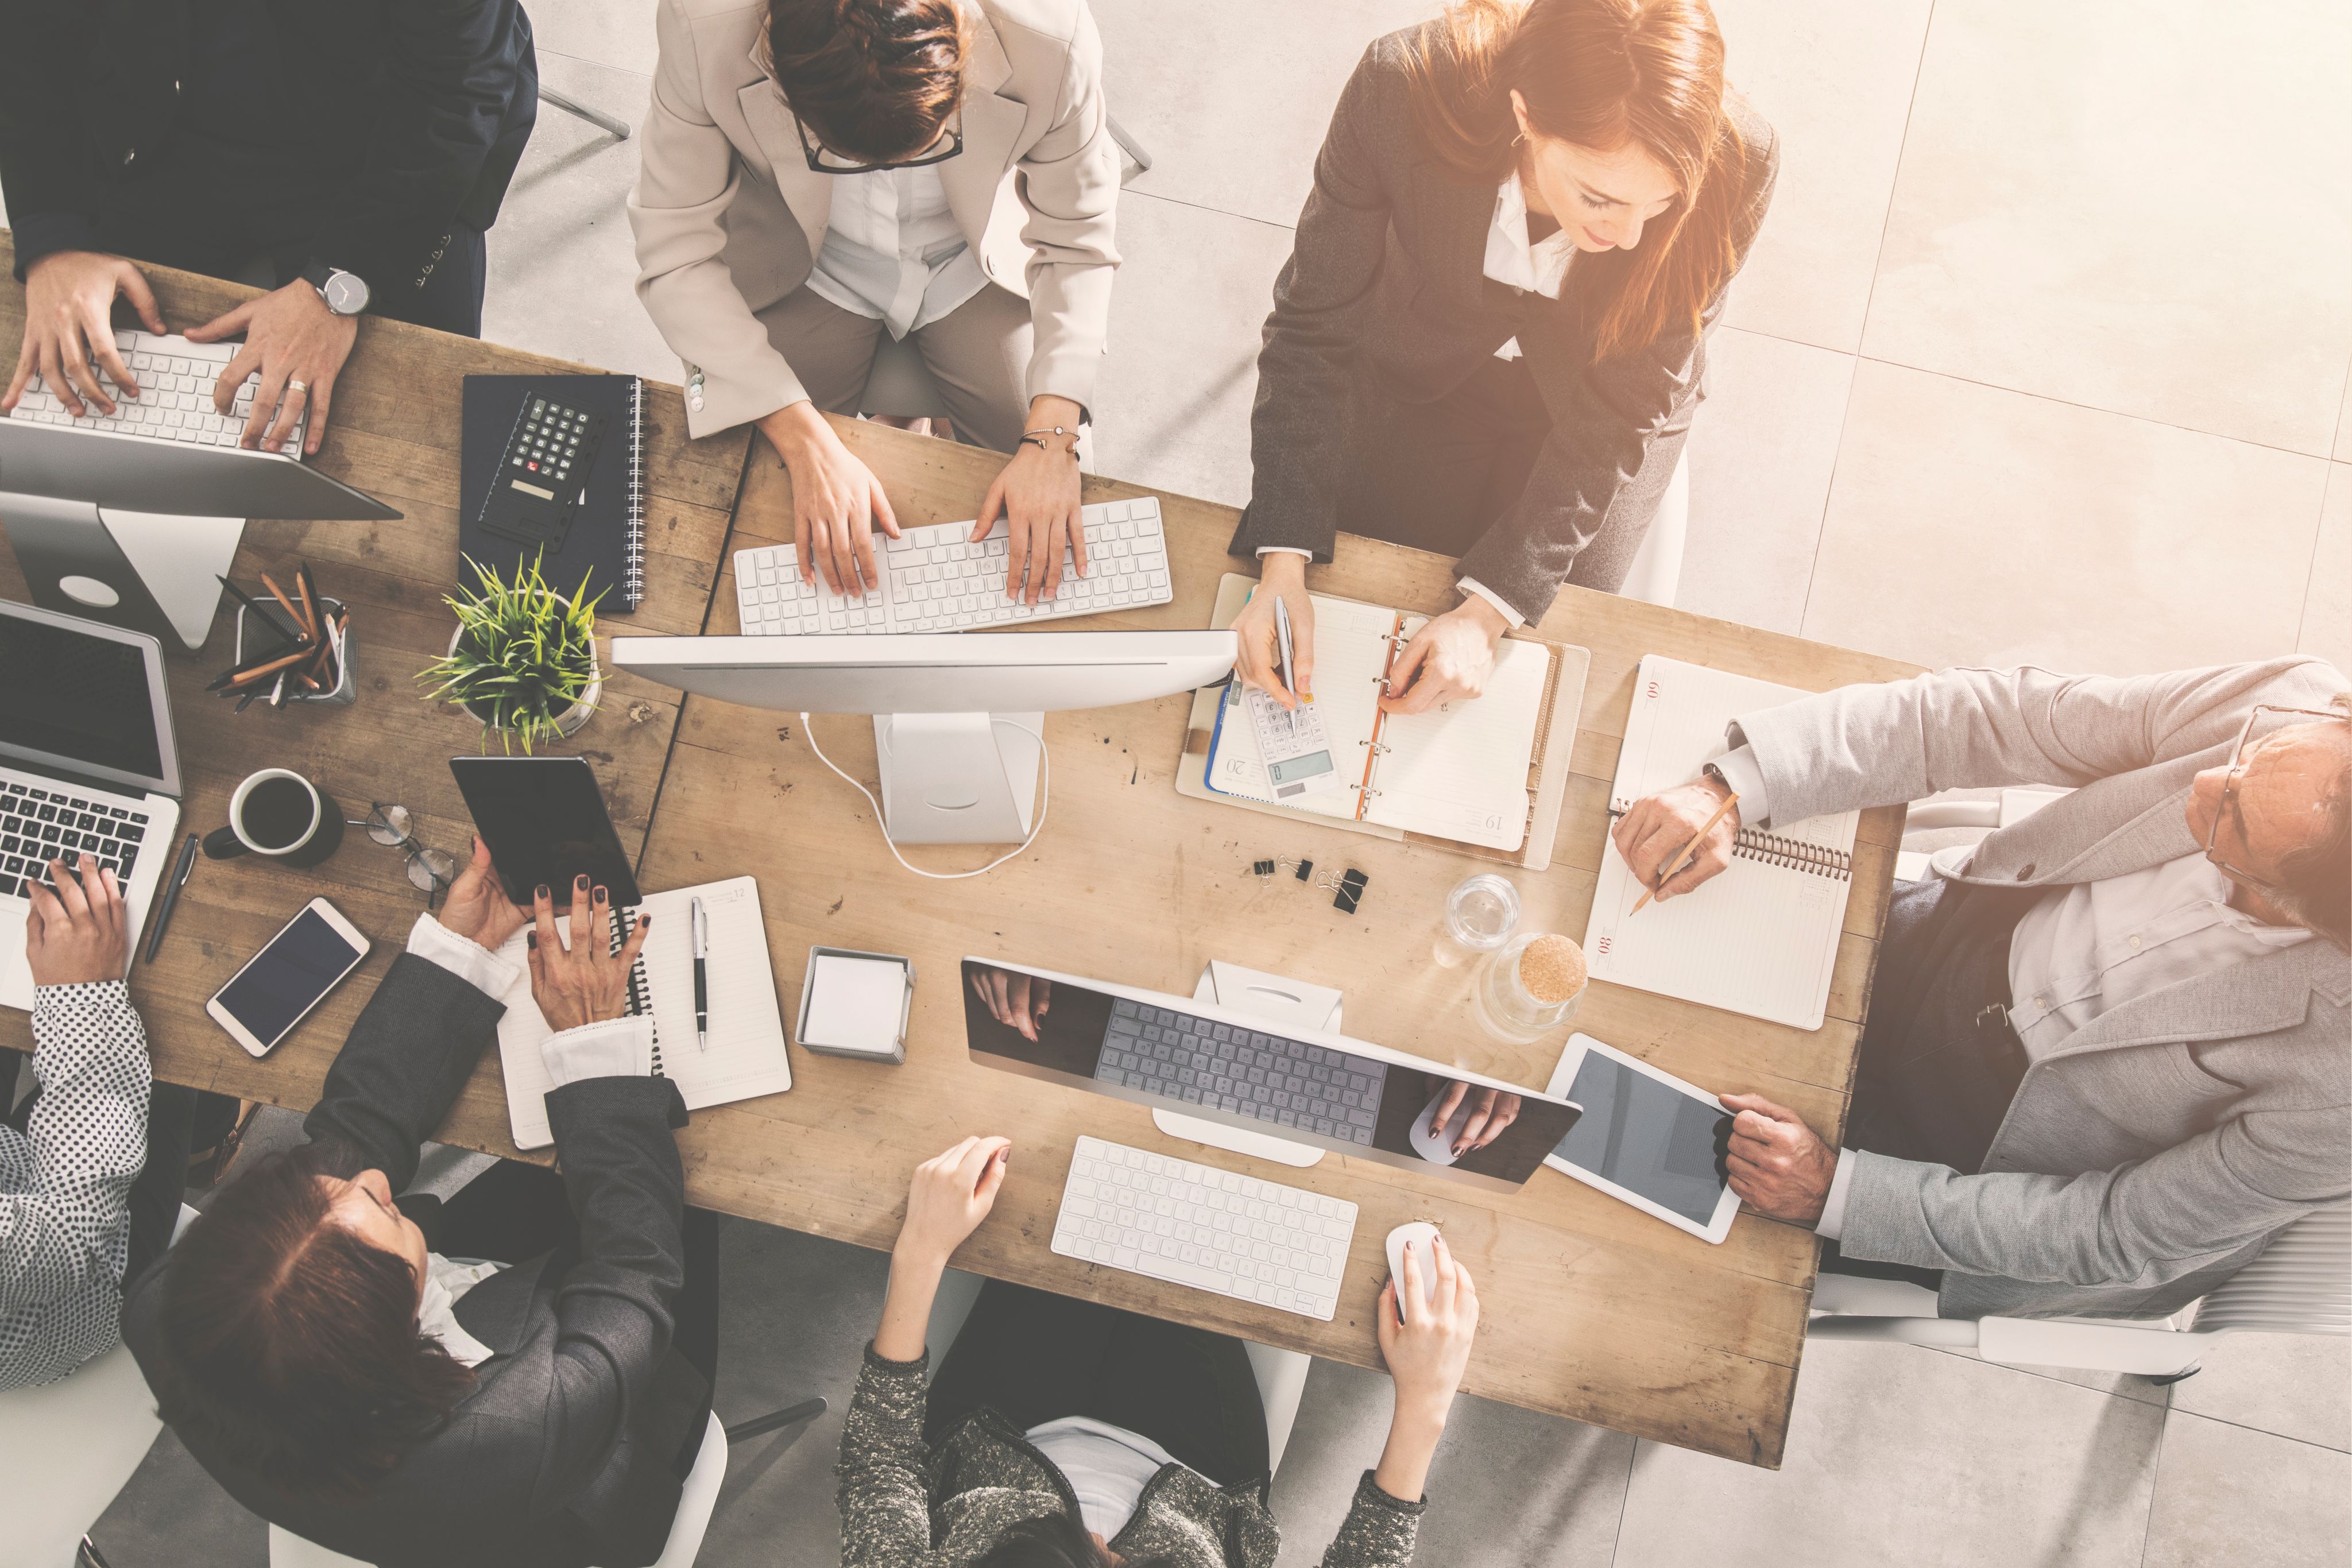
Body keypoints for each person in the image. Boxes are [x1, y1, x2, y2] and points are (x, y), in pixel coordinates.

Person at [1608, 658, 2352, 1319]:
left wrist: (1835, 1191)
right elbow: (1988, 717)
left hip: (1978, 1163)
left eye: (2233, 824)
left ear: (2312, 918)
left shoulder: (2338, 1086)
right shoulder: (2299, 699)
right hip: (1949, 939)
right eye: (2254, 752)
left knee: (1645, 1241)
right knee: (1624, 1005)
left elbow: (2116, 1230)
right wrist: (1735, 786)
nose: (2207, 778)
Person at [122, 845, 721, 1568]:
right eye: (386, 1213)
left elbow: (351, 1135)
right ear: (404, 1318)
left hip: (437, 1351)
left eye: (326, 1191)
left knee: (570, 1164)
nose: (374, 1177)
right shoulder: (509, 1435)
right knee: (695, 1183)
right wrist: (594, 1040)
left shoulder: (174, 1305)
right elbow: (635, 1272)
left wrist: (460, 948)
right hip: (594, 1439)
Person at [1229, 0, 1775, 719]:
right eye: (1600, 197)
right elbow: (1313, 325)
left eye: (1660, 204)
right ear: (1524, 114)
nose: (1635, 236)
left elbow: (1623, 413)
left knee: (1547, 656)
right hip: (1424, 354)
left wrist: (1488, 610)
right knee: (1366, 592)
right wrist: (1282, 560)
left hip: (1605, 402)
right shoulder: (1401, 85)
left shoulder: (1741, 159)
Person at [629, 0, 1120, 606]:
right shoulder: (699, 23)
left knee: (1069, 514)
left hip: (972, 265)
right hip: (807, 264)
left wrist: (1051, 439)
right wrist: (804, 441)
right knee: (750, 513)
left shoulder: (1051, 32)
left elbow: (1078, 241)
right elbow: (674, 247)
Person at [840, 1136, 1482, 1566]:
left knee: (1085, 1181)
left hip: (1002, 1428)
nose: (1101, 1538)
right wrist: (1426, 1399)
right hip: (1196, 1460)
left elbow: (878, 1466)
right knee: (1205, 1204)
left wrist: (920, 1250)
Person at [0, 0, 539, 453]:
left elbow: (458, 90)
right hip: (163, 124)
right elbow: (29, 32)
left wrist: (339, 283)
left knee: (420, 426)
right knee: (79, 406)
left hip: (386, 151)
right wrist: (53, 234)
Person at [0, 852, 206, 1390]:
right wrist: (78, 996)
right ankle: (208, 1147)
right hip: (84, 1270)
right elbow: (69, 1231)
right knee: (165, 1041)